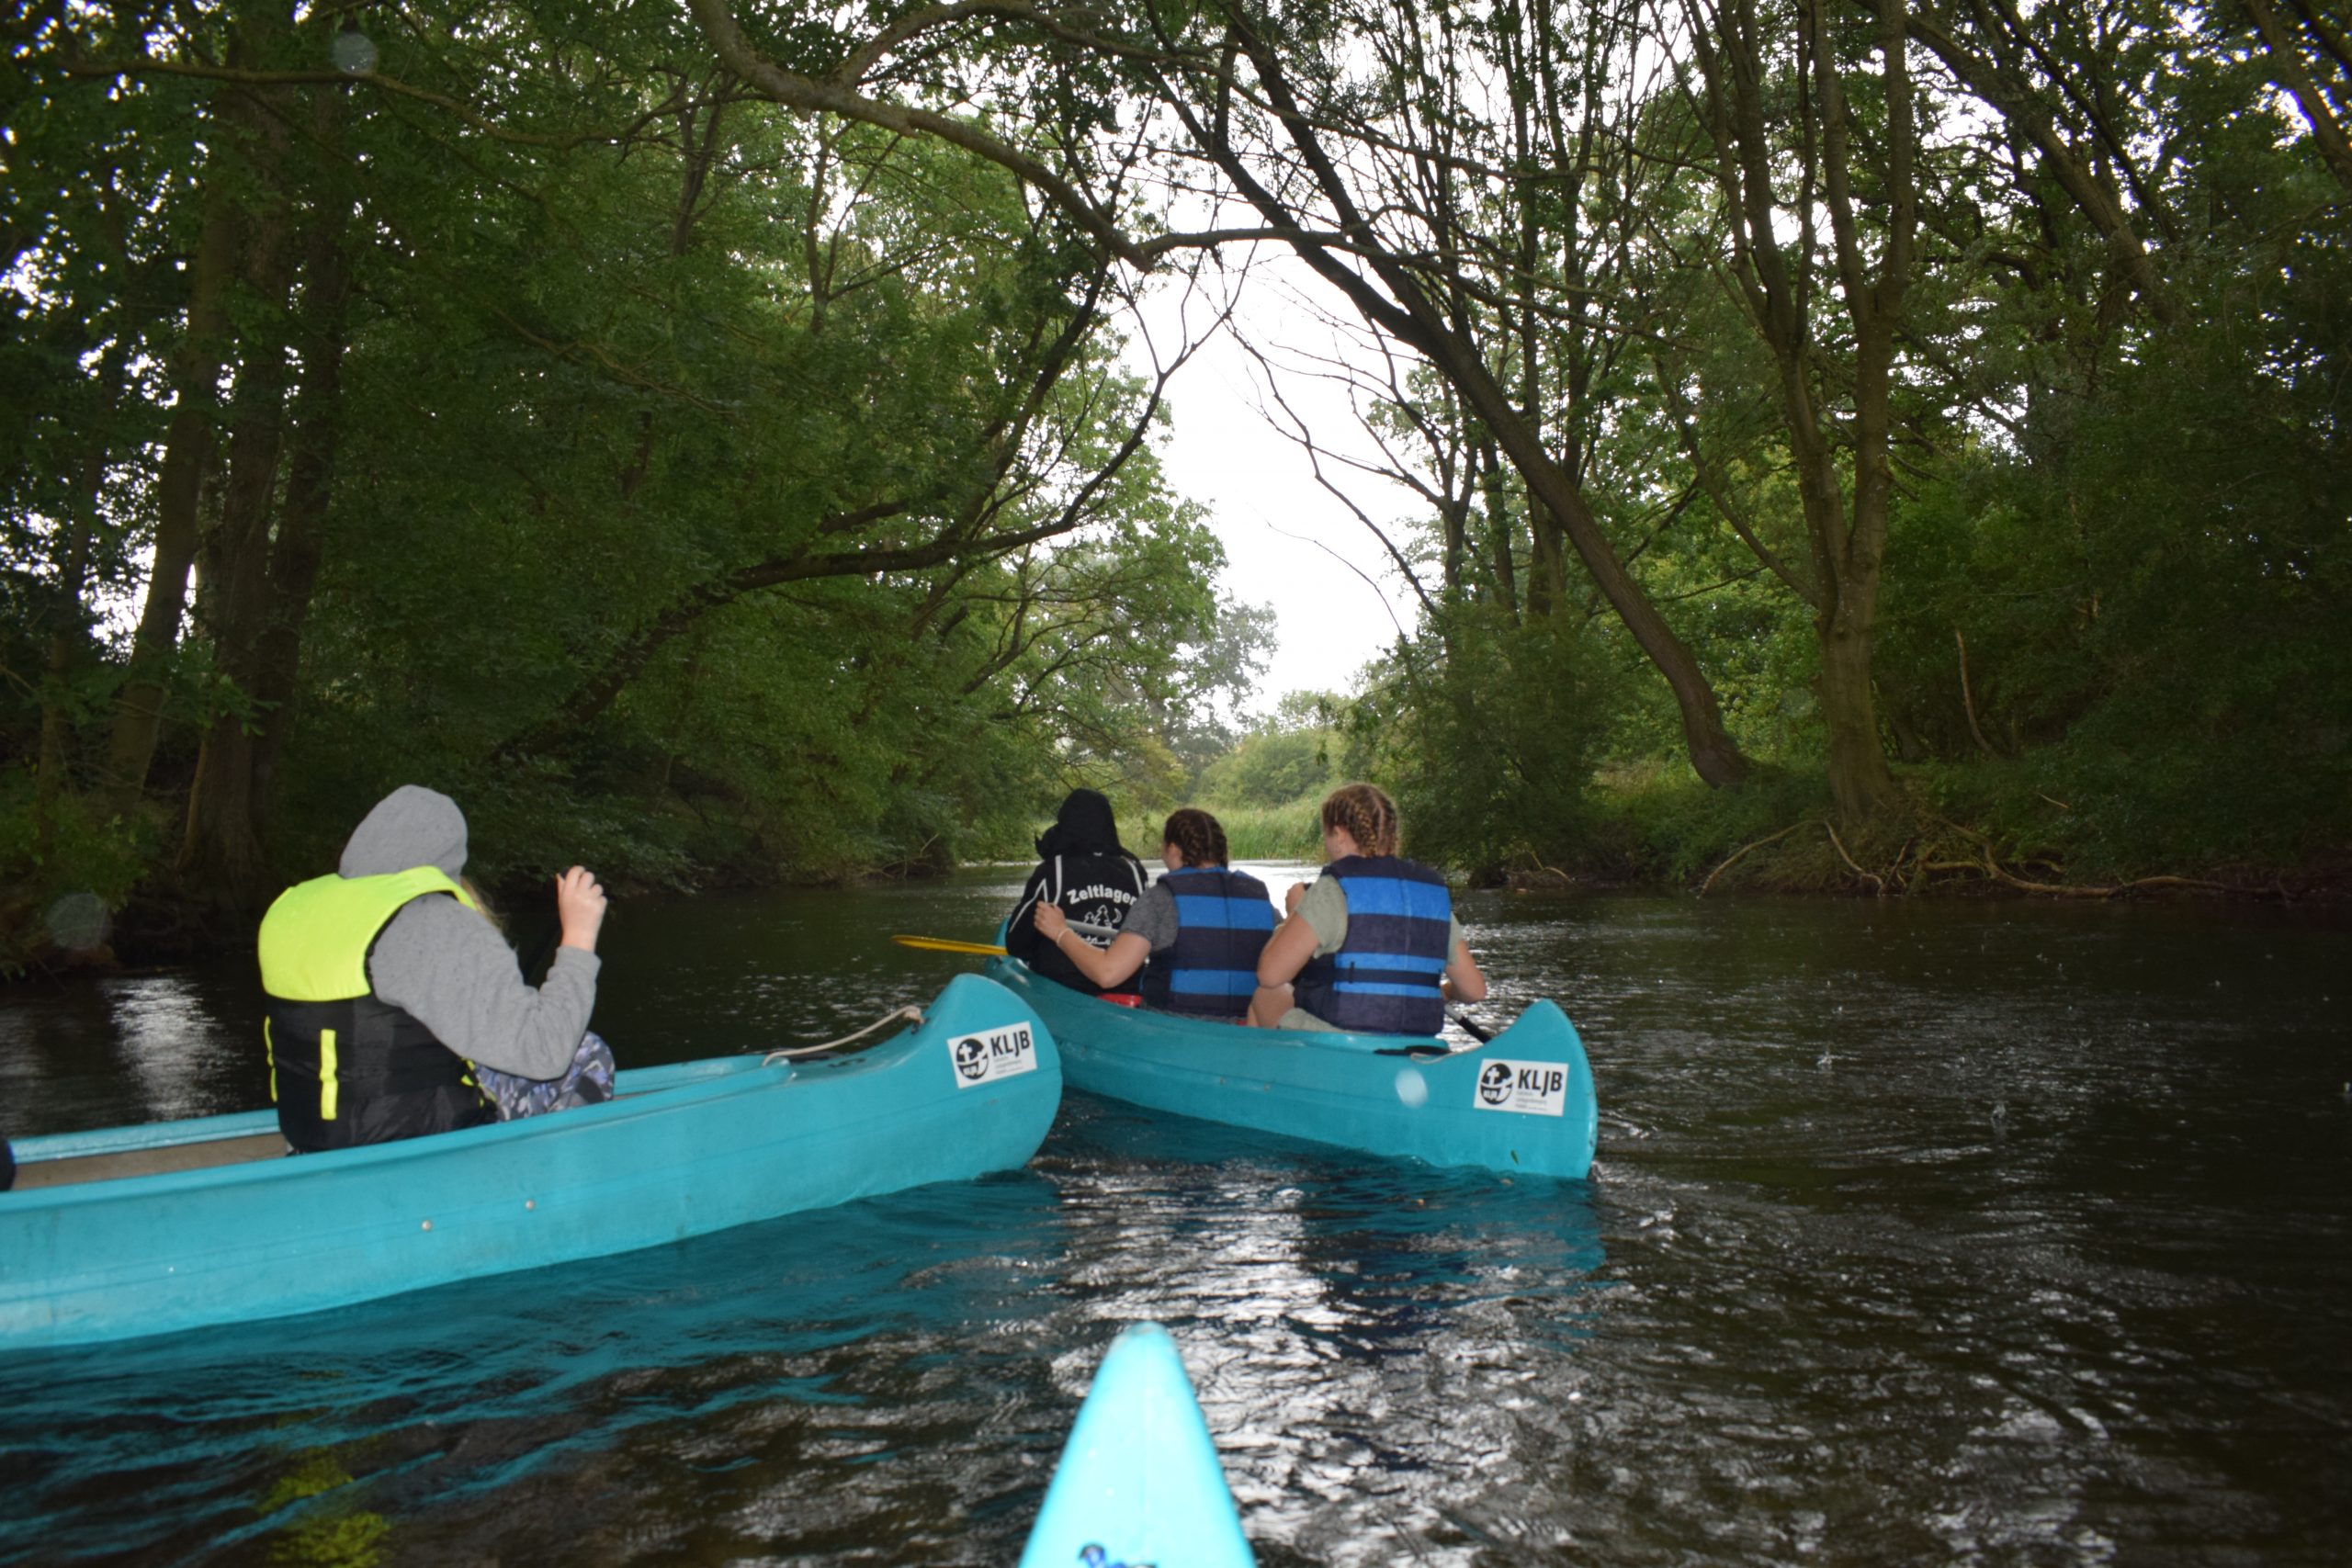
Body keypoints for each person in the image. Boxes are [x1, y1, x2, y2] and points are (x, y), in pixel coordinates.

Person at [255, 784, 615, 1153]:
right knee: (585, 1053)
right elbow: (545, 1051)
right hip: (415, 1145)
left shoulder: (294, 911)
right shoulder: (432, 921)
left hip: (313, 1136)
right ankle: (540, 1189)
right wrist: (579, 935)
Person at [1248, 782, 1487, 1034]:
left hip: (1345, 1046)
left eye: (1326, 836)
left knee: (1267, 995)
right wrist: (1446, 991)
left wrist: (1295, 912)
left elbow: (1270, 975)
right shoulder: (1431, 895)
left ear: (1339, 835)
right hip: (1415, 1042)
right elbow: (1473, 990)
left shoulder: (1334, 889)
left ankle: (1250, 1069)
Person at [1033, 807, 1278, 1019]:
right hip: (1245, 1030)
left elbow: (1107, 974)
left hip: (1174, 1029)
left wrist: (1060, 932)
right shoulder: (1260, 899)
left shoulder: (1162, 898)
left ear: (1172, 848)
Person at [1005, 788, 1148, 996]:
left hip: (1065, 986)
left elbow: (1016, 943)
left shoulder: (1053, 870)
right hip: (1126, 988)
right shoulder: (1136, 871)